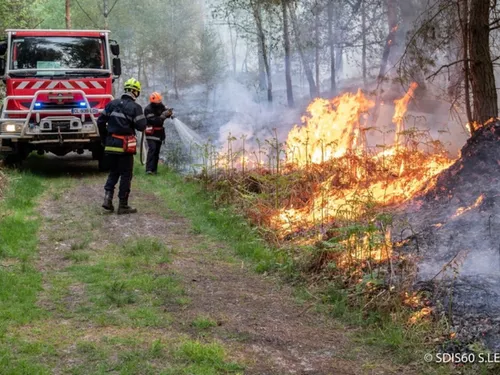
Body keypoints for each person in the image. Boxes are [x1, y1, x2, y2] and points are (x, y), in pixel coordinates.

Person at [98, 78, 147, 214]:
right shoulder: (135, 107)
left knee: (113, 172)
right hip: (125, 147)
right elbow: (142, 126)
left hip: (110, 144)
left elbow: (100, 121)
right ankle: (123, 205)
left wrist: (104, 139)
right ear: (134, 91)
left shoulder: (112, 104)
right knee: (126, 174)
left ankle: (107, 200)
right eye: (137, 92)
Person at [144, 92, 173, 174]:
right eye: (157, 102)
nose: (159, 104)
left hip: (159, 133)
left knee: (157, 151)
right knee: (152, 149)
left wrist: (169, 113)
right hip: (151, 132)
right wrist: (163, 116)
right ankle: (148, 169)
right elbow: (155, 121)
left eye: (159, 102)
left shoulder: (160, 105)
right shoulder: (148, 109)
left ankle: (154, 170)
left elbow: (165, 110)